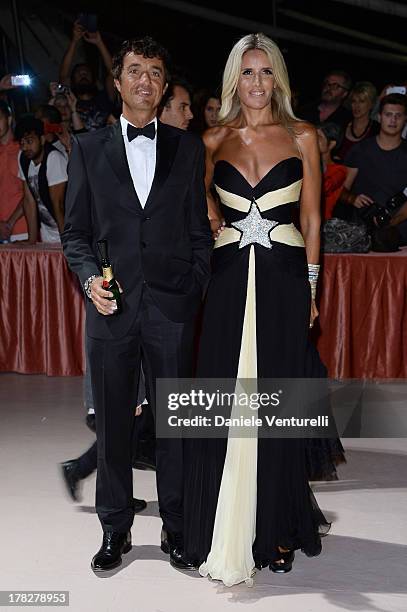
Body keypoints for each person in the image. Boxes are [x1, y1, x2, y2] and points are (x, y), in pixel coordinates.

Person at [182, 32, 333, 587]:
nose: (256, 83)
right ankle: (218, 526)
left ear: (279, 80)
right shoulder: (211, 138)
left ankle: (274, 527)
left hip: (284, 279)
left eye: (266, 72)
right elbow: (196, 204)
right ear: (233, 80)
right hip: (225, 283)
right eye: (247, 73)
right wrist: (213, 226)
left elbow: (314, 220)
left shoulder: (303, 136)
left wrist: (312, 287)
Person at [61, 36, 212, 573]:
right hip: (111, 309)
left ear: (164, 85)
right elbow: (74, 234)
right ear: (118, 81)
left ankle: (176, 525)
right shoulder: (85, 147)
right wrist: (87, 282)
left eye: (154, 71)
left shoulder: (188, 148)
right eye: (134, 70)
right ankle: (114, 529)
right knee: (114, 429)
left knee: (175, 426)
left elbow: (200, 229)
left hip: (172, 309)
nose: (144, 79)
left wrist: (194, 287)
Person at [336, 93, 407, 245]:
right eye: (388, 114)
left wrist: (392, 221)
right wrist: (352, 198)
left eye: (398, 115)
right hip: (360, 233)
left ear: (405, 119)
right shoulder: (360, 150)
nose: (393, 120)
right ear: (380, 117)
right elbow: (340, 189)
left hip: (399, 234)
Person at [15, 116, 67, 243]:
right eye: (22, 143)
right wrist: (31, 241)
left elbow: (58, 204)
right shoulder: (23, 158)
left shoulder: (54, 158)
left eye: (30, 141)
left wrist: (67, 243)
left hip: (67, 229)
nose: (25, 147)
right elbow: (29, 199)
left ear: (42, 139)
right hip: (47, 231)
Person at [59, 21, 115, 131]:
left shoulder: (105, 97)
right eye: (79, 73)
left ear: (94, 79)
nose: (83, 75)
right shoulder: (70, 101)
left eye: (86, 73)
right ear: (72, 80)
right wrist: (74, 41)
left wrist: (99, 42)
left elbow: (113, 72)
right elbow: (63, 75)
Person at [0, 100, 27, 242]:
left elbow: (31, 193)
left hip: (23, 230)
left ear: (9, 119)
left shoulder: (23, 150)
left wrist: (10, 223)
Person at [336, 82, 378, 160]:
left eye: (362, 101)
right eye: (354, 101)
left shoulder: (377, 130)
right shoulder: (341, 125)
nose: (357, 106)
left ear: (371, 104)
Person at [317, 122, 348, 220]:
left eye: (319, 137)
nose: (314, 140)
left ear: (331, 144)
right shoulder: (305, 163)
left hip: (324, 222)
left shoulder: (339, 171)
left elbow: (325, 188)